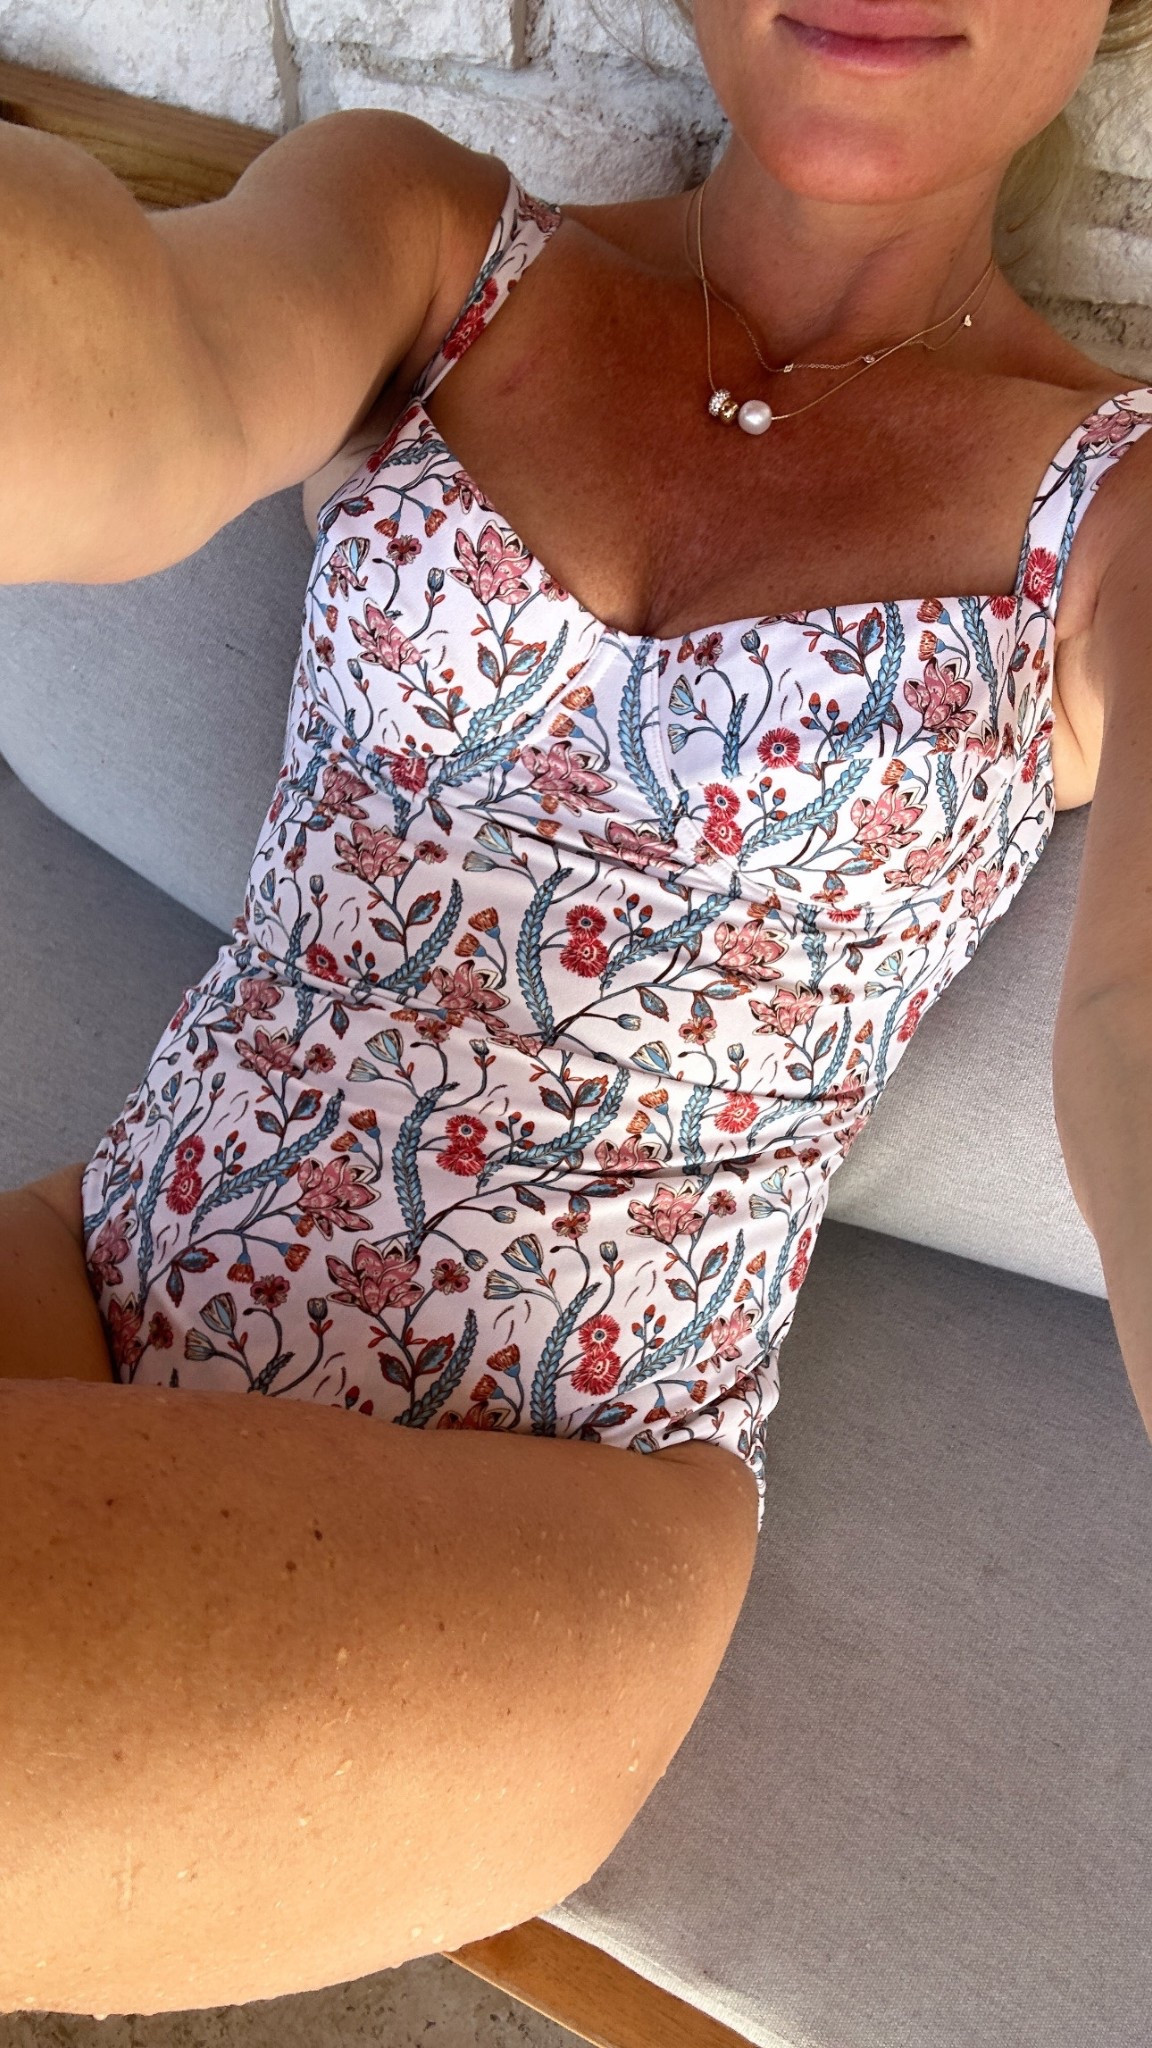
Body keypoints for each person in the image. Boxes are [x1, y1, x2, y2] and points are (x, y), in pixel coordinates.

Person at [3, 0, 1151, 2017]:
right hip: (95, 1267)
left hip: (562, 1514)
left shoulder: (1119, 513)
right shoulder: (427, 238)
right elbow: (140, 369)